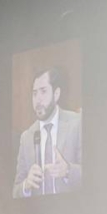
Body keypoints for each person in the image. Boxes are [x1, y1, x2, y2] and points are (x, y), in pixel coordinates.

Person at [13, 67, 82, 198]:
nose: (38, 99)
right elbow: (15, 191)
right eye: (34, 94)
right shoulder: (26, 137)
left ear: (56, 94)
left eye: (43, 91)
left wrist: (68, 170)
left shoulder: (77, 124)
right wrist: (26, 185)